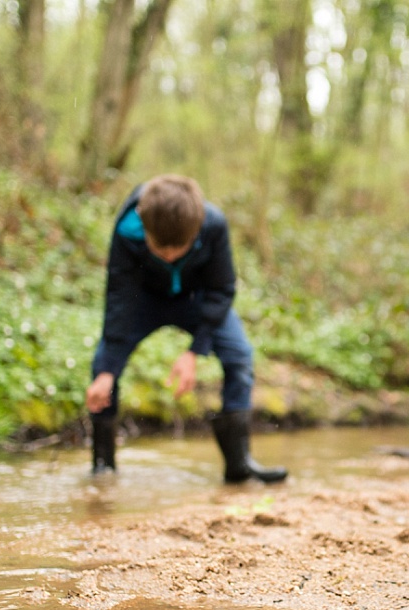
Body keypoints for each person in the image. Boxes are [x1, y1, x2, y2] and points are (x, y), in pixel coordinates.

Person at [86, 174, 288, 484]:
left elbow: (222, 290)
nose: (168, 256)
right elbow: (120, 295)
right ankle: (103, 466)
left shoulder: (214, 225)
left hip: (198, 301)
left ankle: (239, 465)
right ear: (145, 228)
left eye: (178, 248)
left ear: (196, 230)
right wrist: (108, 369)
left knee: (239, 358)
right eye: (159, 248)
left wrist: (196, 350)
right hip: (143, 300)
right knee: (103, 365)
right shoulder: (128, 229)